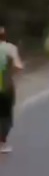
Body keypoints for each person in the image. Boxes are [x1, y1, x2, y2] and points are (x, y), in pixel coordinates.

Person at [0, 26, 25, 154]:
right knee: (5, 115)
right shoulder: (10, 48)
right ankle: (2, 143)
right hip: (5, 85)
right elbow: (18, 66)